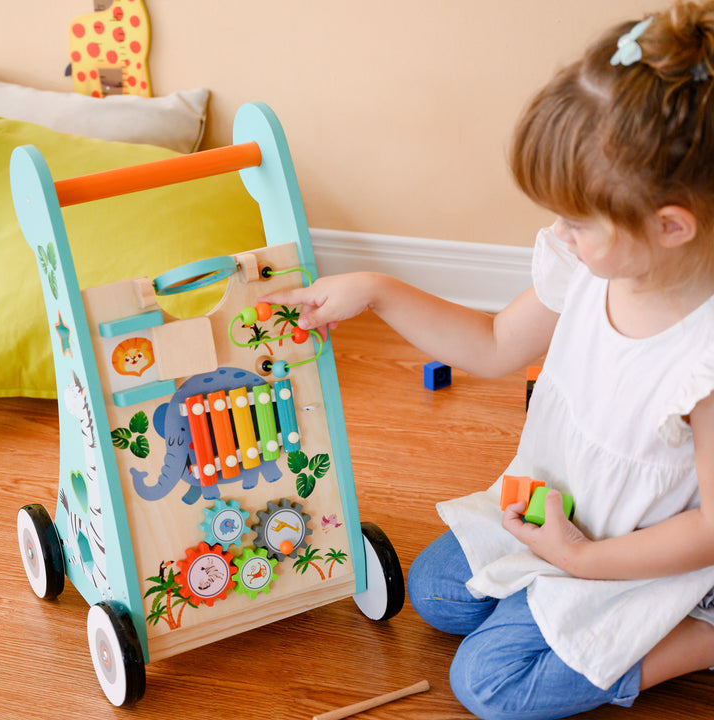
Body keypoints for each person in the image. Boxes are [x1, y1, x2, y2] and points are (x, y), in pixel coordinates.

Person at [261, 2, 714, 717]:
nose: (558, 234)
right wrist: (378, 291)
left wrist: (582, 561)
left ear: (669, 226)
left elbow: (709, 530)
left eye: (576, 221)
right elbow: (495, 343)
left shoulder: (704, 359)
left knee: (490, 684)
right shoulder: (589, 266)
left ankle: (699, 634)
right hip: (570, 514)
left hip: (648, 557)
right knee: (439, 594)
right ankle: (567, 598)